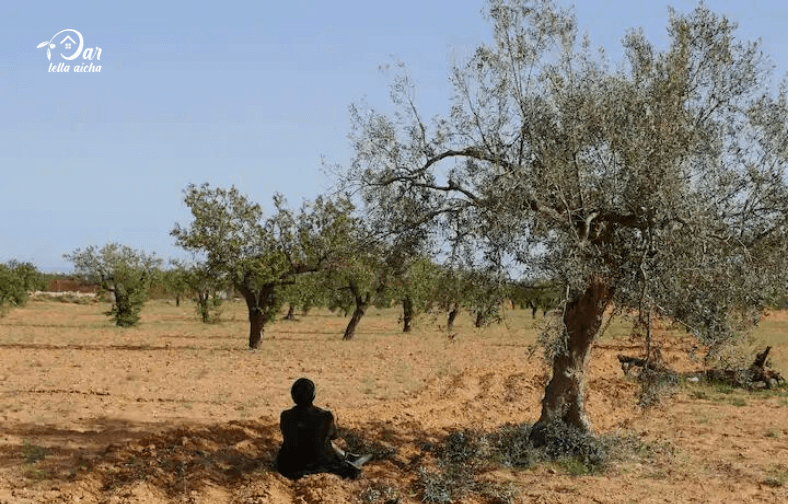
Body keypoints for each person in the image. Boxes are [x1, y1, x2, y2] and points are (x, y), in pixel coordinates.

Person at [275, 377, 371, 480]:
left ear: (293, 396)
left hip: (291, 466)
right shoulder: (325, 416)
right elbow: (332, 437)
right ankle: (351, 458)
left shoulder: (285, 416)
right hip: (320, 465)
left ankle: (351, 457)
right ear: (313, 396)